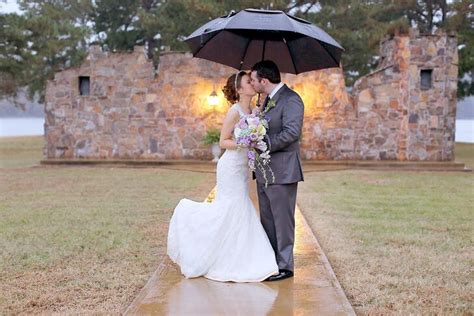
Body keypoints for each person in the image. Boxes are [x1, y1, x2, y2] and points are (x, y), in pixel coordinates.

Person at [166, 70, 279, 282]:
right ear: (239, 89)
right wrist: (245, 143)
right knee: (231, 206)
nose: (252, 84)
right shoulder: (234, 112)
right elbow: (222, 141)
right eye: (248, 82)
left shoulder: (255, 110)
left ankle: (241, 256)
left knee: (238, 207)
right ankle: (188, 219)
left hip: (242, 168)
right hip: (230, 166)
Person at [250, 60, 305, 282]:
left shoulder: (292, 100)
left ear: (264, 80)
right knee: (268, 221)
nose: (252, 84)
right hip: (264, 172)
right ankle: (271, 262)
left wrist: (265, 142)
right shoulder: (265, 101)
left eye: (254, 80)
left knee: (283, 221)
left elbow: (292, 133)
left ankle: (285, 266)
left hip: (283, 172)